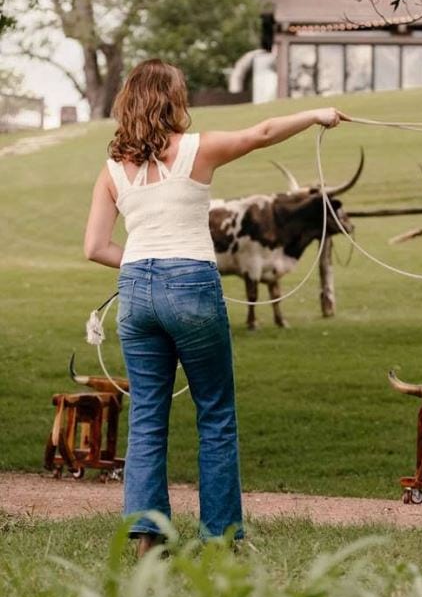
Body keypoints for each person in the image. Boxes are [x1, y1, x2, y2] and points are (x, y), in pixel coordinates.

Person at [84, 58, 348, 557]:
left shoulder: (113, 170)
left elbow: (95, 246)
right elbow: (263, 132)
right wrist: (318, 114)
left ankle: (147, 540)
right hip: (192, 284)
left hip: (135, 289)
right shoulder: (196, 149)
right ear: (174, 100)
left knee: (147, 416)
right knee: (215, 412)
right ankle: (221, 539)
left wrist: (144, 261)